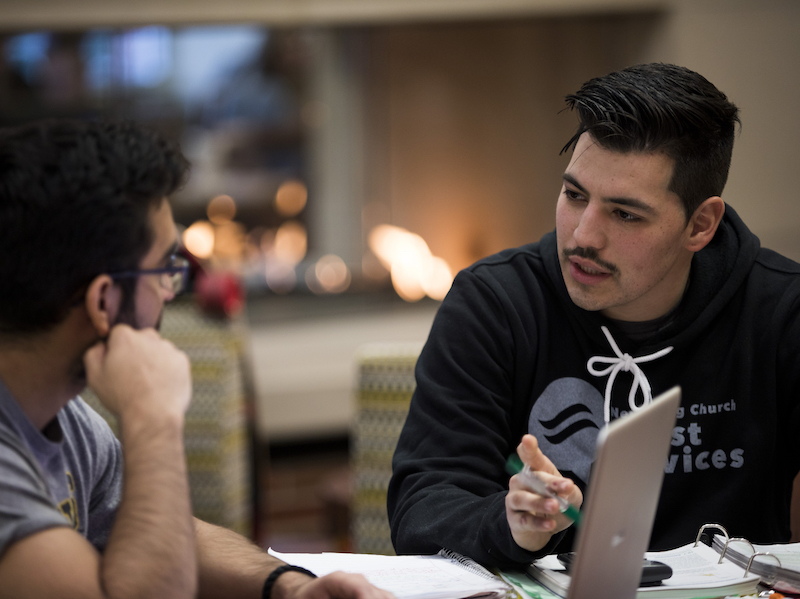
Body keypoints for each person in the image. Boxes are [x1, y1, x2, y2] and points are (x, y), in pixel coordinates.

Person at [387, 62, 800, 570]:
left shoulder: (780, 312)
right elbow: (421, 513)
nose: (583, 235)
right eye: (575, 195)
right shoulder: (494, 304)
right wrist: (513, 524)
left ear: (701, 224)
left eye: (625, 214)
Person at [0, 119, 393, 599]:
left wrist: (287, 587)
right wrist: (152, 417)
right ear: (104, 302)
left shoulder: (68, 420)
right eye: (166, 270)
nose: (171, 290)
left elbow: (163, 533)